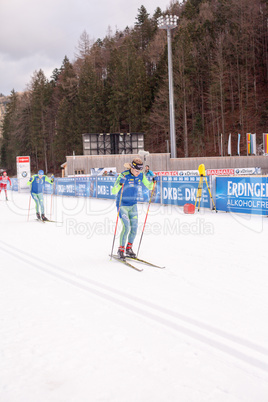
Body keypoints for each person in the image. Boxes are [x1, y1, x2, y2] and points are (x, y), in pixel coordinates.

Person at [112, 158, 156, 260]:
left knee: (135, 228)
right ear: (132, 168)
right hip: (122, 205)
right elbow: (114, 191)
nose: (138, 173)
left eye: (139, 171)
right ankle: (121, 250)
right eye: (136, 170)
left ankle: (129, 248)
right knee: (126, 227)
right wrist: (119, 184)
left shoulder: (141, 175)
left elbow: (149, 186)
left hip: (133, 205)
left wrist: (153, 182)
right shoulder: (123, 175)